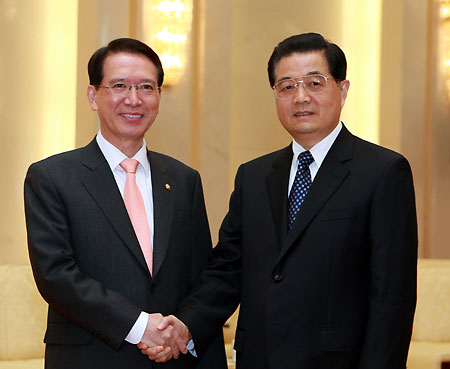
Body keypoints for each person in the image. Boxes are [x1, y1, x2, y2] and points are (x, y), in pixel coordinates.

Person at [144, 32, 418, 369]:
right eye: (286, 86)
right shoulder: (254, 176)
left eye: (315, 83)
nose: (300, 97)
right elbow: (227, 269)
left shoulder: (382, 172)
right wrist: (186, 326)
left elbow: (392, 298)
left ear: (343, 90)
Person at [24, 38, 227, 369]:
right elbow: (56, 275)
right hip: (90, 358)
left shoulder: (183, 179)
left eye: (146, 87)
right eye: (119, 85)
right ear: (93, 96)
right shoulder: (51, 177)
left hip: (171, 358)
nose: (134, 100)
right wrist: (140, 326)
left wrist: (185, 328)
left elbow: (200, 275)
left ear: (159, 96)